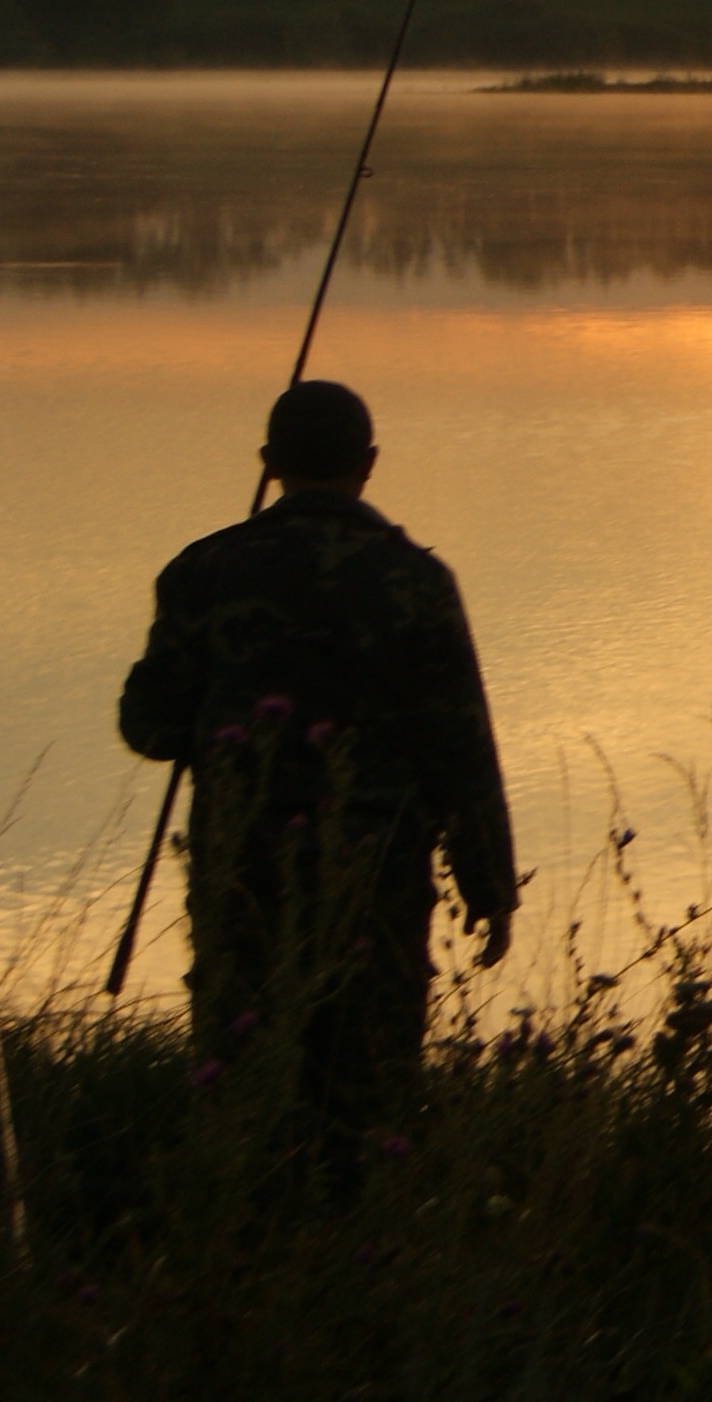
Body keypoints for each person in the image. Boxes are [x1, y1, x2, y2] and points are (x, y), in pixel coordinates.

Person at [118, 380, 516, 1164]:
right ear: (369, 464)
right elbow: (459, 749)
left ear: (269, 464)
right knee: (372, 1093)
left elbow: (152, 729)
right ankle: (357, 1248)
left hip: (241, 878)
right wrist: (489, 890)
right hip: (376, 882)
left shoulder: (200, 572)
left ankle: (248, 1251)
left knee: (242, 1089)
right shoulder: (414, 583)